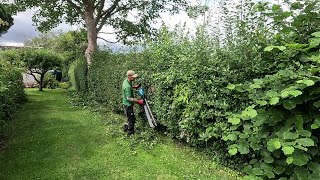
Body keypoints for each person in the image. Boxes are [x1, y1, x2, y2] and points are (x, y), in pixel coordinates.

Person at [122, 70, 143, 135]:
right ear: (129, 76)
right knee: (131, 119)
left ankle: (125, 128)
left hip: (125, 103)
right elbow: (129, 98)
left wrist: (134, 87)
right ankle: (130, 134)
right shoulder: (127, 86)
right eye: (133, 77)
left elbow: (129, 87)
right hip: (128, 104)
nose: (135, 78)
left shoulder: (126, 81)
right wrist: (138, 101)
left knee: (128, 117)